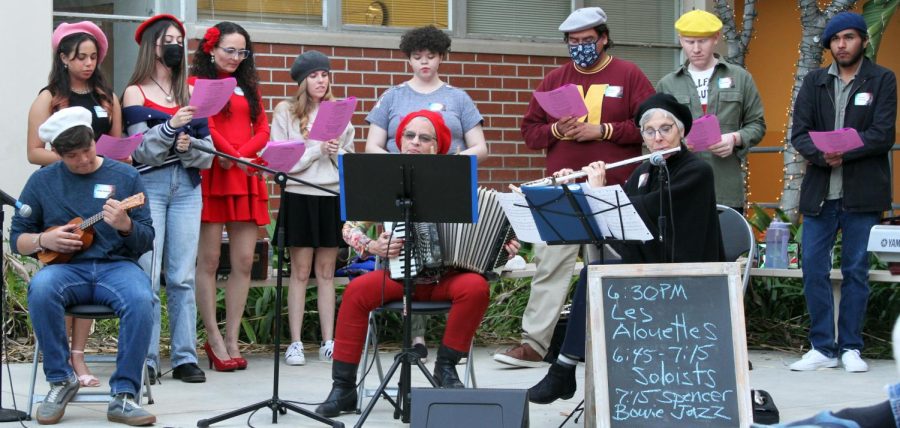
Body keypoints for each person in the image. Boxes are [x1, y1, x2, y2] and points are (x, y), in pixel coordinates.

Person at [314, 110, 519, 418]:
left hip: (446, 280)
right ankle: (343, 389)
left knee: (475, 287)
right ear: (399, 141)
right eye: (409, 136)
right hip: (397, 278)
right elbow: (348, 227)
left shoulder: (456, 183)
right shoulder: (386, 181)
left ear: (438, 147)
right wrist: (372, 245)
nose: (414, 143)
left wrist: (505, 251)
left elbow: (488, 246)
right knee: (356, 292)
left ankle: (445, 369)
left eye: (424, 138)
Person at [527, 93, 724, 404]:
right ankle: (564, 370)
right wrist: (573, 189)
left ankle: (563, 371)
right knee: (595, 274)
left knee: (597, 276)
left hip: (687, 276)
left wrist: (600, 192)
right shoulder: (645, 170)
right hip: (647, 268)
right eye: (649, 131)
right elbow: (614, 218)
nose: (658, 138)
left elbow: (641, 211)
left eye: (665, 129)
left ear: (682, 132)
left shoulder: (696, 171)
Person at [495, 6, 654, 368]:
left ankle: (618, 341)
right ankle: (535, 345)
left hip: (611, 187)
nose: (580, 47)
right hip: (562, 187)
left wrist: (604, 130)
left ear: (604, 38)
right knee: (551, 266)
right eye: (573, 42)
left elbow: (650, 125)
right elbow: (529, 132)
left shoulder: (629, 74)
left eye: (587, 40)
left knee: (612, 267)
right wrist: (556, 130)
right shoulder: (555, 78)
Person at [12, 107, 156, 425]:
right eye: (73, 155)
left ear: (95, 140)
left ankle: (124, 395)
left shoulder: (126, 176)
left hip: (116, 266)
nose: (84, 160)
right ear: (58, 154)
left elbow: (146, 239)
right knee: (41, 288)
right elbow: (17, 239)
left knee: (140, 298)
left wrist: (126, 225)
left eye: (87, 149)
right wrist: (43, 242)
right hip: (65, 270)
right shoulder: (42, 181)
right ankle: (62, 381)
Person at [365, 24, 489, 359]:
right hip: (401, 187)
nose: (424, 63)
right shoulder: (392, 96)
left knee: (446, 258)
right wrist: (399, 166)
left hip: (445, 186)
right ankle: (415, 338)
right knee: (406, 251)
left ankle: (452, 338)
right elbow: (372, 145)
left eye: (431, 56)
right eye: (417, 56)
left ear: (441, 57)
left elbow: (480, 147)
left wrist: (447, 164)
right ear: (408, 59)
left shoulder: (457, 98)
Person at [788, 12, 897, 373]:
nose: (841, 45)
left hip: (863, 193)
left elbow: (883, 134)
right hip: (821, 191)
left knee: (855, 270)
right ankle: (822, 346)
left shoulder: (882, 79)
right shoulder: (814, 82)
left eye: (849, 37)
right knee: (812, 268)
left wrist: (845, 151)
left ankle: (850, 346)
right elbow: (799, 133)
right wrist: (822, 154)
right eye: (835, 40)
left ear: (863, 41)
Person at [26, 20, 122, 389]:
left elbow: (116, 144)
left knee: (92, 255)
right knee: (65, 263)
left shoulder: (105, 95)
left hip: (101, 189)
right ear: (63, 58)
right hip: (62, 191)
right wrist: (74, 160)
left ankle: (78, 353)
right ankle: (60, 354)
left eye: (93, 56)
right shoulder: (48, 97)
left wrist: (102, 161)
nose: (88, 63)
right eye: (80, 56)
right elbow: (34, 151)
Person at [122, 14, 213, 383]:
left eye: (180, 39)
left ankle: (184, 356)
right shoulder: (134, 92)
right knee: (148, 273)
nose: (176, 45)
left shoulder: (190, 93)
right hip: (150, 187)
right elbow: (140, 151)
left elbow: (208, 154)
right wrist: (172, 127)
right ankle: (145, 356)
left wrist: (189, 146)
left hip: (189, 187)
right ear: (152, 45)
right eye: (168, 40)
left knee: (181, 276)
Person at [192, 21, 271, 372]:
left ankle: (234, 337)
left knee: (243, 262)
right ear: (211, 48)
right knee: (208, 262)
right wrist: (227, 153)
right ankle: (213, 338)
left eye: (242, 52)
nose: (236, 57)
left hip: (244, 173)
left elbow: (264, 127)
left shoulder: (248, 87)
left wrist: (242, 155)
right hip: (213, 173)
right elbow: (203, 125)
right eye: (230, 50)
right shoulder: (196, 84)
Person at [271, 50, 355, 366]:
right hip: (299, 194)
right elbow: (283, 161)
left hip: (330, 196)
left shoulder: (338, 113)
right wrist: (315, 151)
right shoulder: (286, 112)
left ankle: (328, 340)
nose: (321, 80)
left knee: (326, 272)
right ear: (302, 81)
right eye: (314, 76)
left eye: (325, 74)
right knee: (300, 271)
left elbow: (348, 162)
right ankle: (295, 342)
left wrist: (334, 152)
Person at [655, 9, 766, 213]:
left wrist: (735, 138)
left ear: (716, 38)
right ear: (680, 40)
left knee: (725, 244)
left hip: (724, 186)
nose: (696, 49)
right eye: (690, 42)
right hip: (681, 184)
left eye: (702, 41)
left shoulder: (741, 78)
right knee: (684, 245)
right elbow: (654, 132)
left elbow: (757, 124)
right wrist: (676, 143)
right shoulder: (668, 84)